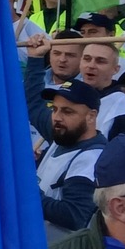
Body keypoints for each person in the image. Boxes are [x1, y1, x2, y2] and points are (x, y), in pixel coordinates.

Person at [38, 79, 107, 239]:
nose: (57, 117)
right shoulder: (62, 139)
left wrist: (27, 193)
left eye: (67, 112)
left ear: (91, 116)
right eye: (54, 109)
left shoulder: (92, 158)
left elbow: (74, 216)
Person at [79, 38, 125, 139]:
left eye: (100, 61)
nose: (91, 65)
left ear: (115, 69)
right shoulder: (66, 95)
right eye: (87, 59)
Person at [26, 29, 87, 139]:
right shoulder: (31, 82)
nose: (62, 59)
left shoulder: (87, 90)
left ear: (83, 58)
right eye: (57, 53)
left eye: (70, 55)